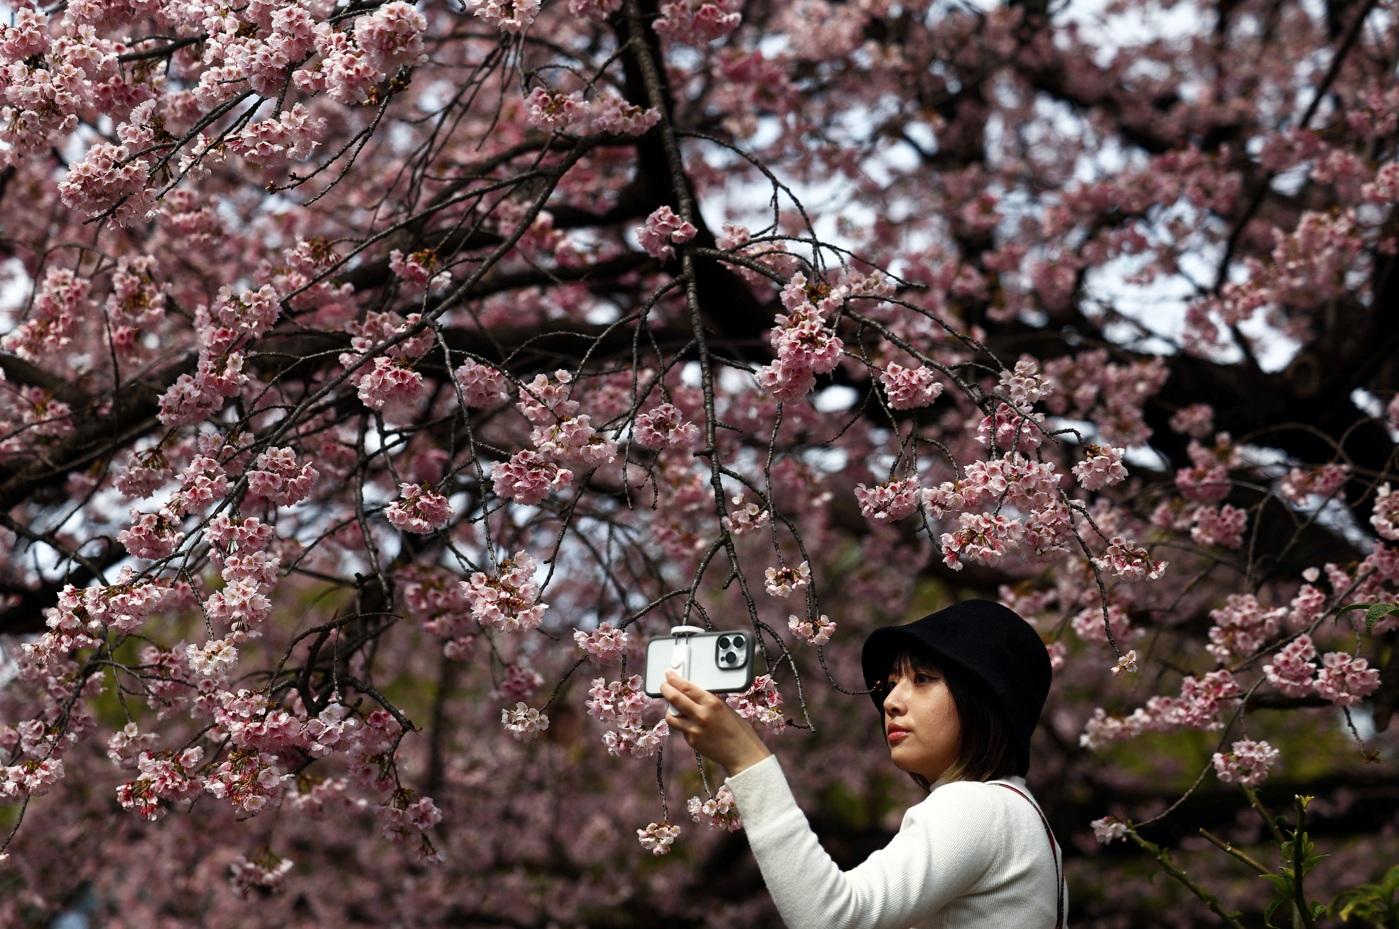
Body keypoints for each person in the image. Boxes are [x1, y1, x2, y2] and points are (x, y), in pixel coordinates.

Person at [660, 599, 1066, 929]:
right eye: (892, 684)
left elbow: (832, 918)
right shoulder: (1019, 813)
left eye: (922, 679)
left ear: (982, 701)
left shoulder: (978, 807)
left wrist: (745, 757)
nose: (891, 701)